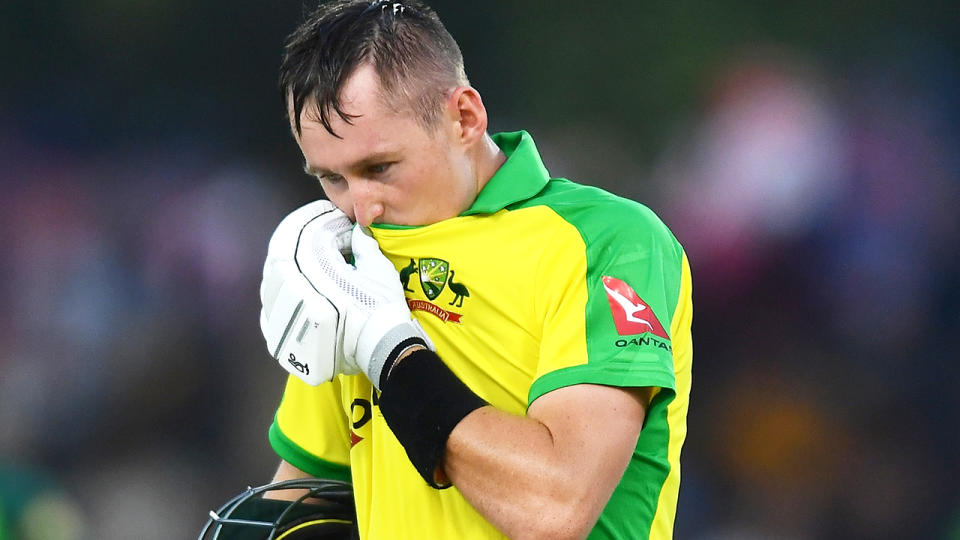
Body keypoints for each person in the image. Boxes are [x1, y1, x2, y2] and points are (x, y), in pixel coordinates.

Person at [258, 1, 693, 538]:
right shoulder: (350, 267)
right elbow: (303, 500)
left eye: (379, 168)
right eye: (331, 178)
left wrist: (393, 355)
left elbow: (553, 512)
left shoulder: (608, 241)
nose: (359, 210)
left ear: (464, 117)